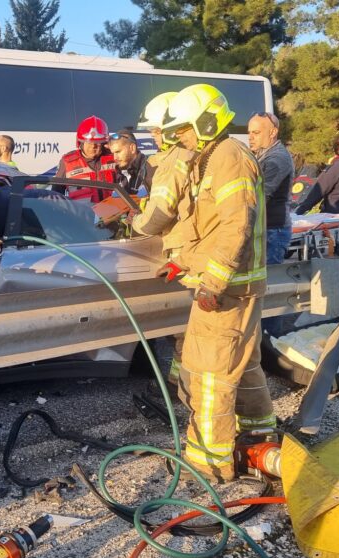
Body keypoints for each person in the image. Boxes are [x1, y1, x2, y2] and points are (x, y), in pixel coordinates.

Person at [157, 84, 275, 483]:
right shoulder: (213, 156)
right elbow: (205, 225)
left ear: (206, 121)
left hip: (227, 290)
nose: (178, 137)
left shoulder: (228, 158)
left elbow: (236, 224)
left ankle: (209, 461)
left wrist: (212, 281)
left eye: (183, 128)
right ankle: (258, 434)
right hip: (231, 286)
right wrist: (181, 261)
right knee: (244, 366)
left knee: (210, 376)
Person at [132, 91, 194, 388]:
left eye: (156, 131)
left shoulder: (173, 161)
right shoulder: (192, 155)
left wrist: (134, 223)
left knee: (185, 327)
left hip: (185, 250)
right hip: (193, 248)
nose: (154, 137)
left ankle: (182, 388)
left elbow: (160, 212)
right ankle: (179, 384)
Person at [248, 113, 294, 268]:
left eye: (256, 133)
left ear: (273, 132)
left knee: (268, 284)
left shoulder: (277, 159)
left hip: (273, 231)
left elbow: (260, 196)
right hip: (268, 228)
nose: (250, 137)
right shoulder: (264, 155)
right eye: (249, 132)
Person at [53, 116, 116, 202]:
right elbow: (56, 195)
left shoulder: (114, 158)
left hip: (112, 214)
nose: (93, 146)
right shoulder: (67, 162)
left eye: (97, 143)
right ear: (81, 143)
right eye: (89, 142)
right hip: (81, 214)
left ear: (104, 143)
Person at [109, 128, 155, 194]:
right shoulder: (120, 173)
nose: (115, 157)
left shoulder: (150, 169)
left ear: (132, 148)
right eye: (113, 153)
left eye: (118, 152)